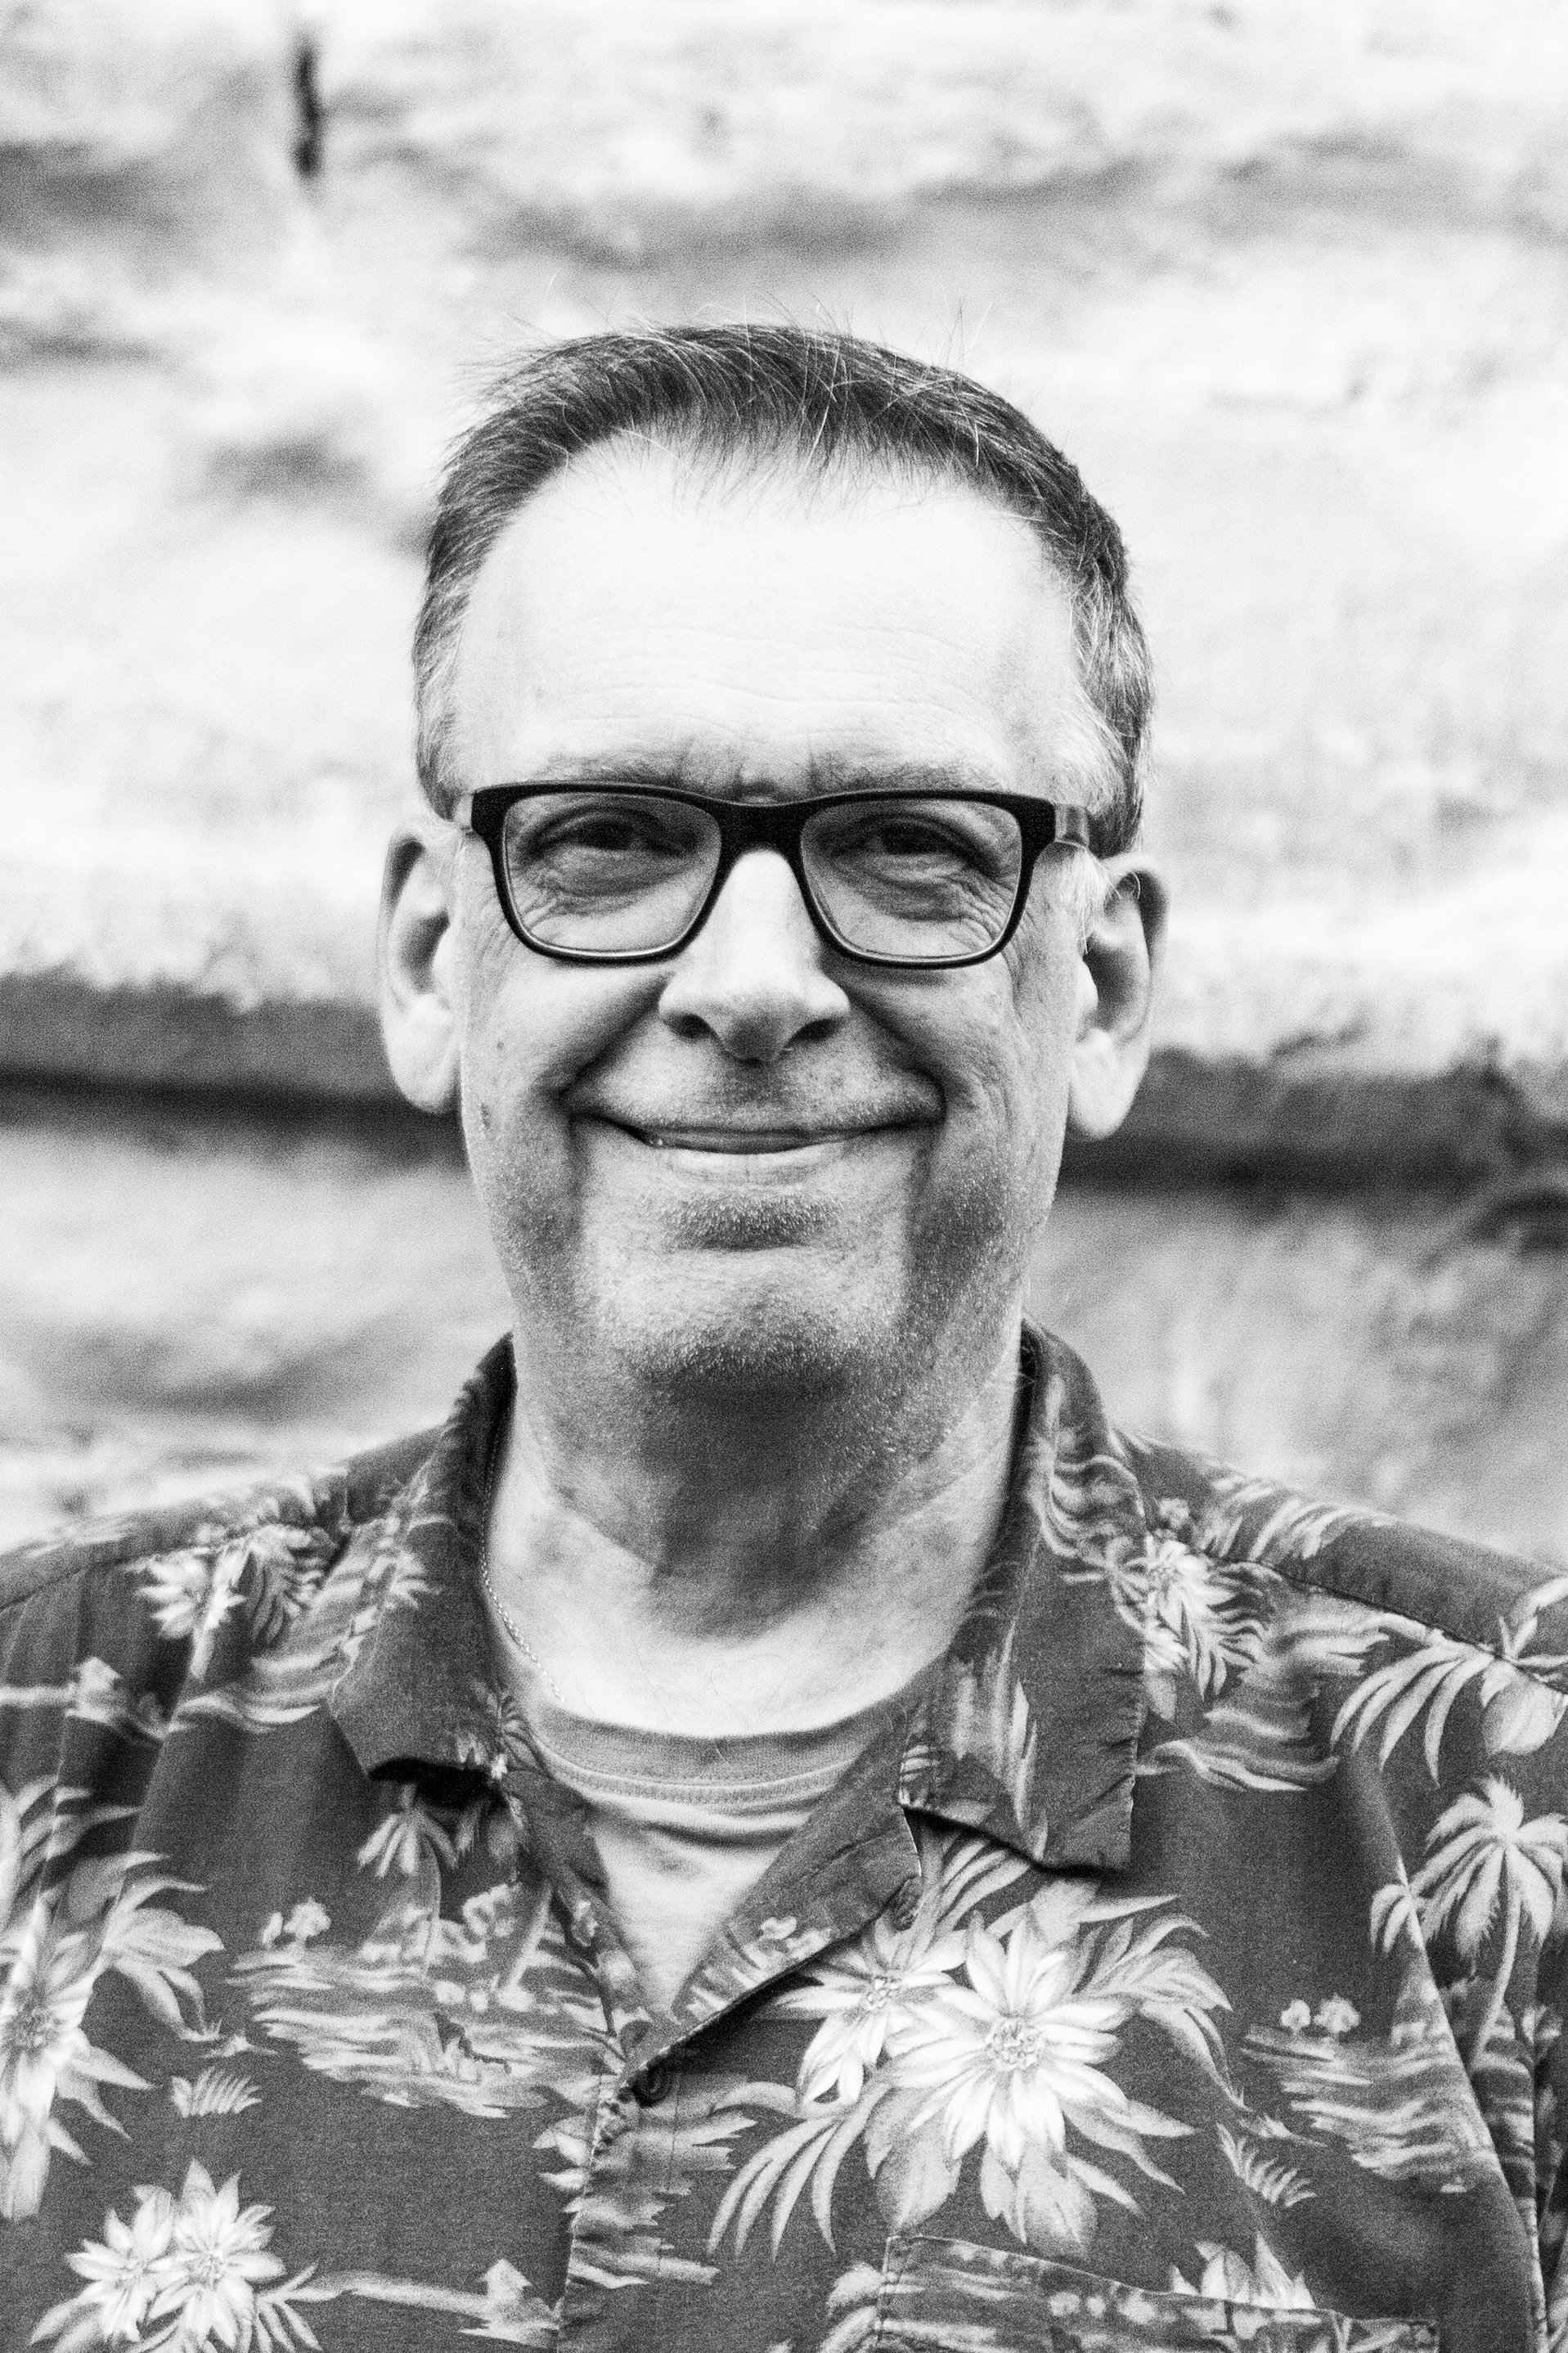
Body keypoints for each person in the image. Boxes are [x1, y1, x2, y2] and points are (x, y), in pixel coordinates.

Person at [0, 326, 1561, 2353]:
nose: (752, 980)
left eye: (908, 844)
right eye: (608, 841)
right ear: (422, 965)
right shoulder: (43, 1746)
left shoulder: (1504, 1796)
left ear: (1093, 987)